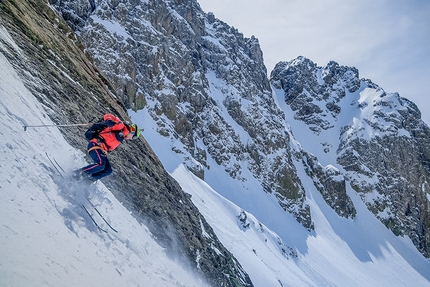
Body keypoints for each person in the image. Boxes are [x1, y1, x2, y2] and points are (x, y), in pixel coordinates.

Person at [75, 113, 141, 181]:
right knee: (101, 164)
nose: (131, 139)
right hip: (95, 144)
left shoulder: (121, 137)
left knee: (107, 170)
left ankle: (85, 182)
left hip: (100, 149)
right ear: (133, 132)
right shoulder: (121, 126)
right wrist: (109, 120)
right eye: (134, 137)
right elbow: (108, 115)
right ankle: (76, 175)